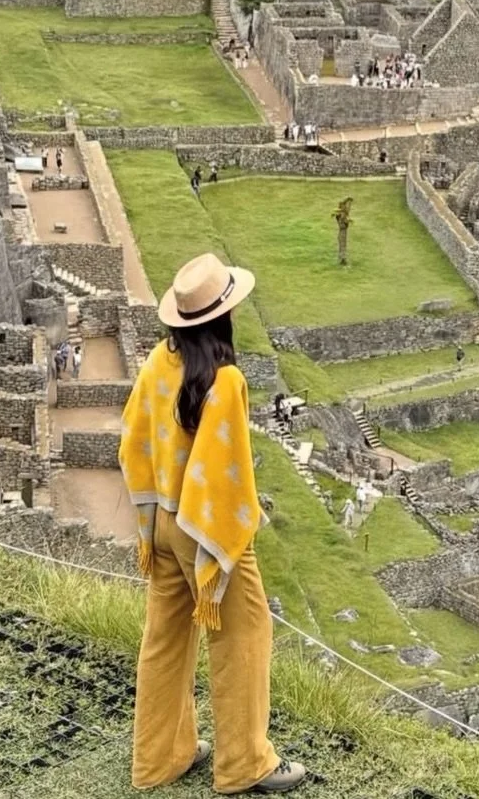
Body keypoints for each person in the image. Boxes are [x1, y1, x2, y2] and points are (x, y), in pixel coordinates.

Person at [119, 251, 306, 793]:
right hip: (204, 528)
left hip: (161, 521)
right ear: (223, 316)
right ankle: (244, 762)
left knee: (165, 639)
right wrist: (221, 541)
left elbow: (133, 440)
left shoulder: (160, 360)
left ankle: (160, 757)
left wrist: (151, 515)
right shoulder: (223, 382)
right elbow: (222, 473)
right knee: (245, 635)